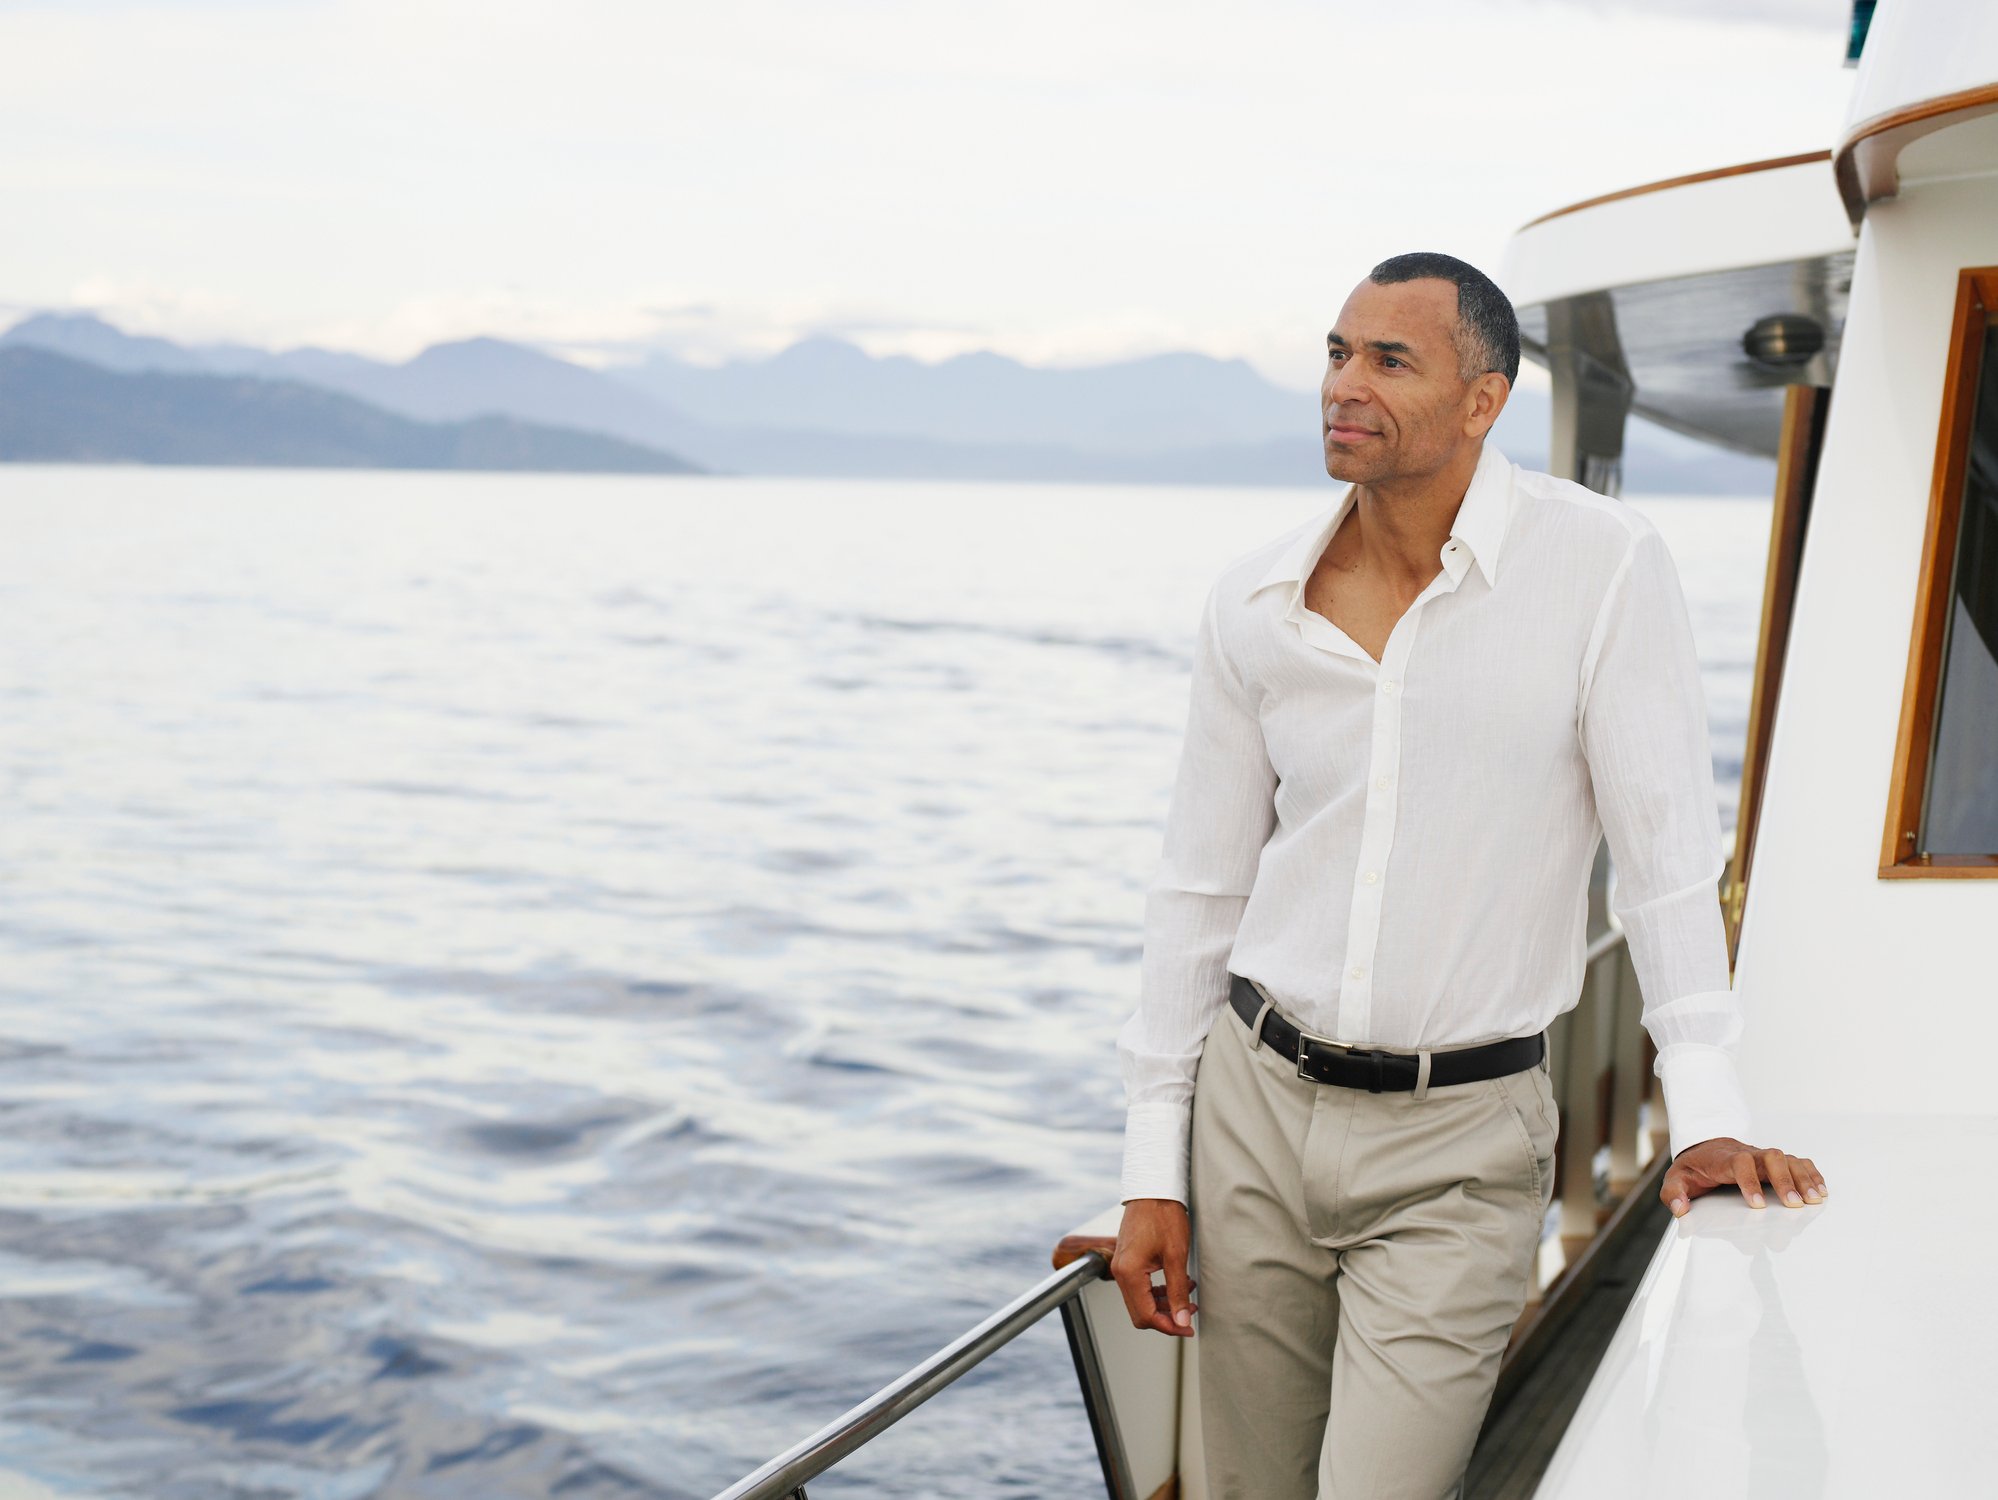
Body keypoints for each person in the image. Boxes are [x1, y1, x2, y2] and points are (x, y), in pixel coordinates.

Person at [1107, 252, 1826, 1500]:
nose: (1346, 384)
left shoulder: (1600, 567)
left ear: (1484, 401)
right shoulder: (1256, 602)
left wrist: (1705, 1111)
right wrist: (1147, 1171)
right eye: (1337, 353)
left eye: (1391, 360)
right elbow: (1199, 894)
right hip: (1254, 1117)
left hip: (1461, 1141)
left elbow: (1662, 866)